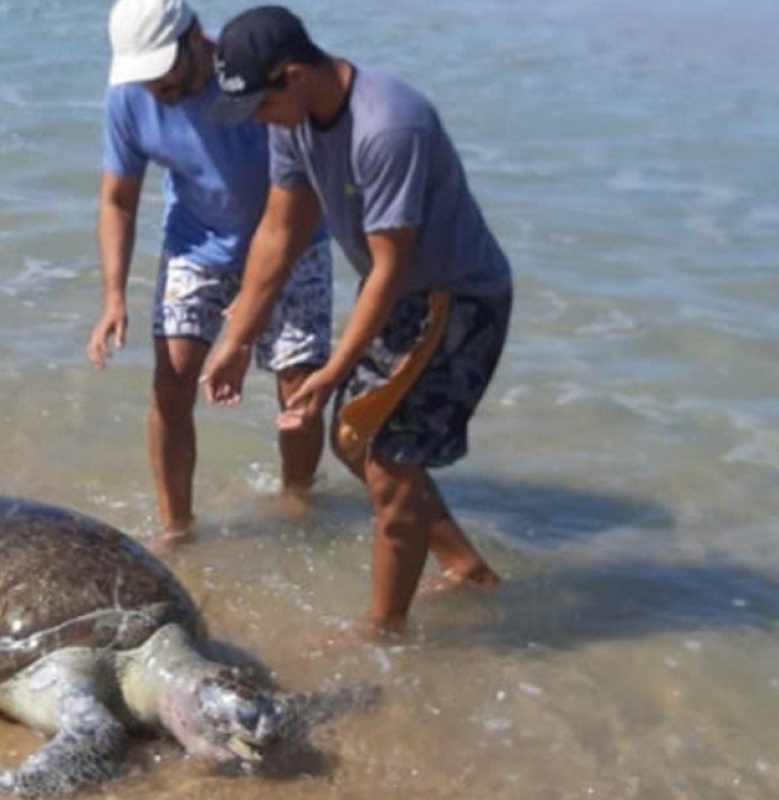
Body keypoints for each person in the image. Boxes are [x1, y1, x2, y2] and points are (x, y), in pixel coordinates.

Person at [202, 6, 512, 637]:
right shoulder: (292, 118)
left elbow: (390, 266)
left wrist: (333, 369)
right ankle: (467, 570)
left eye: (260, 104)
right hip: (402, 297)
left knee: (388, 463)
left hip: (456, 299)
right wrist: (237, 339)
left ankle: (382, 636)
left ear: (294, 74)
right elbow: (280, 231)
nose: (257, 120)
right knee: (354, 440)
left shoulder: (389, 127)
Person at [89, 0, 334, 545]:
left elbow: (297, 200)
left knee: (298, 387)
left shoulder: (254, 76)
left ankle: (298, 502)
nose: (156, 88)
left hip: (293, 237)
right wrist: (113, 297)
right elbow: (118, 202)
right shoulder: (130, 96)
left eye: (163, 71)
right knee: (172, 377)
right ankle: (177, 528)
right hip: (197, 240)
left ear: (194, 37)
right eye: (144, 76)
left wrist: (246, 320)